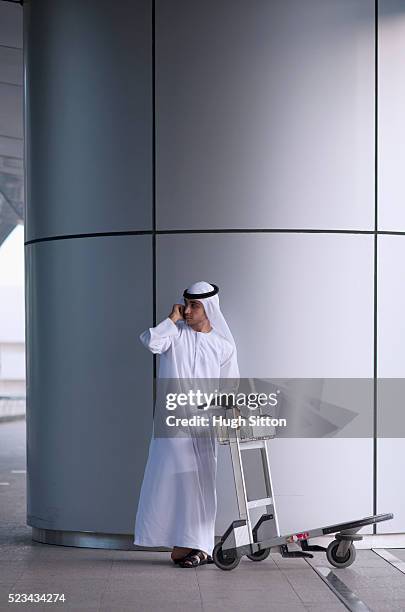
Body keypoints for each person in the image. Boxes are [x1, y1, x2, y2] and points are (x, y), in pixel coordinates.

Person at [133, 281, 239, 568]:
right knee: (169, 482)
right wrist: (172, 319)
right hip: (172, 427)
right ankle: (187, 544)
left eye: (195, 306)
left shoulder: (223, 346)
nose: (189, 310)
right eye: (186, 304)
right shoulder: (174, 336)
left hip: (203, 428)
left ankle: (201, 547)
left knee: (201, 485)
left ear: (210, 309)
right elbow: (150, 341)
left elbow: (229, 388)